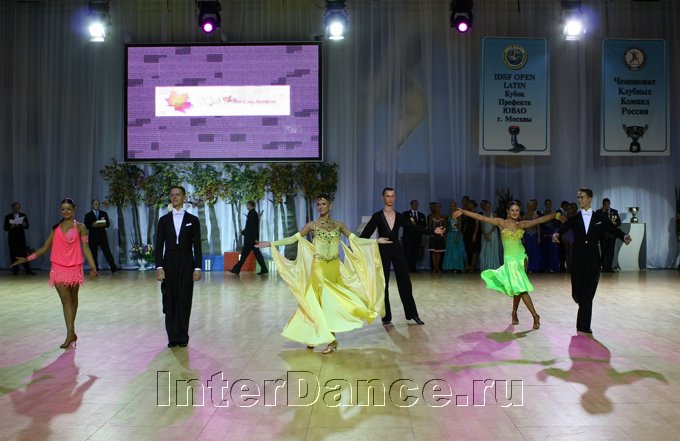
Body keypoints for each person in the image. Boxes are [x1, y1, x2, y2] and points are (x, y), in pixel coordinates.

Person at [256, 193, 389, 354]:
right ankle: (331, 340)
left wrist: (375, 241)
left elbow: (356, 239)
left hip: (334, 268)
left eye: (323, 204)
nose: (320, 207)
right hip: (319, 268)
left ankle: (314, 336)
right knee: (322, 303)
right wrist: (272, 243)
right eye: (318, 204)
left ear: (330, 205)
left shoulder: (339, 225)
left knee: (327, 303)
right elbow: (293, 239)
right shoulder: (312, 225)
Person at [454, 201, 559, 330]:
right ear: (508, 212)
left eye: (517, 210)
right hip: (510, 261)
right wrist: (464, 211)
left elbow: (539, 220)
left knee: (519, 288)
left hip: (522, 258)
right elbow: (481, 217)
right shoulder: (501, 223)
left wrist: (555, 215)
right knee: (520, 288)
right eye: (512, 210)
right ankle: (533, 315)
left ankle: (517, 313)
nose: (515, 212)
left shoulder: (521, 224)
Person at [11, 198, 98, 348]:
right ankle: (70, 333)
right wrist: (27, 258)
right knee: (65, 300)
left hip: (74, 268)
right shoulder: (56, 228)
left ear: (74, 210)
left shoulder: (81, 227)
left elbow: (85, 247)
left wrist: (93, 266)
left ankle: (72, 332)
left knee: (73, 299)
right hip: (58, 268)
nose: (66, 211)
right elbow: (45, 248)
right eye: (63, 209)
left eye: (69, 209)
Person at [360, 188, 445, 326]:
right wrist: (377, 241)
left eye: (392, 196)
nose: (390, 198)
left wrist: (433, 231)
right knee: (383, 284)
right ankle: (386, 316)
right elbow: (363, 237)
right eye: (388, 196)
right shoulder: (377, 216)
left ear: (395, 197)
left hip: (397, 250)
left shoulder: (399, 216)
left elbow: (415, 228)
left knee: (405, 282)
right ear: (382, 198)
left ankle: (413, 314)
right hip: (383, 251)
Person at [553, 188, 631, 335]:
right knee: (578, 292)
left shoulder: (599, 218)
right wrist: (556, 234)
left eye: (582, 197)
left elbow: (612, 229)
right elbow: (563, 228)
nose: (579, 200)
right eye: (578, 197)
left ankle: (584, 326)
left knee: (588, 293)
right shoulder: (574, 218)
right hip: (577, 259)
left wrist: (624, 236)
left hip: (593, 259)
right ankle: (581, 315)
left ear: (589, 199)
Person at [155, 186, 202, 348]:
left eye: (178, 194)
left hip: (187, 263)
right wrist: (159, 266)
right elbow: (158, 245)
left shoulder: (193, 220)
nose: (174, 197)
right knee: (170, 299)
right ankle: (172, 337)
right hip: (168, 263)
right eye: (172, 195)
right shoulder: (163, 220)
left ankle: (183, 336)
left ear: (184, 198)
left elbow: (197, 246)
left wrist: (197, 268)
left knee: (185, 298)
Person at [229, 200, 268, 275]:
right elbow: (250, 227)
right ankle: (264, 269)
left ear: (250, 205)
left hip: (250, 240)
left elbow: (252, 227)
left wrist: (255, 238)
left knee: (244, 256)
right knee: (256, 255)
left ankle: (236, 270)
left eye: (247, 205)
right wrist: (244, 232)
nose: (246, 206)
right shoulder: (253, 213)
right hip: (251, 239)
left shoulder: (252, 214)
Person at [83, 199, 119, 272]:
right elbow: (86, 226)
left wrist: (103, 224)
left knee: (107, 252)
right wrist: (92, 225)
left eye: (98, 204)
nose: (97, 205)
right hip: (93, 237)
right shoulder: (88, 215)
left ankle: (113, 267)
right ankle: (95, 269)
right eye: (95, 204)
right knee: (93, 253)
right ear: (92, 205)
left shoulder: (104, 213)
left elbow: (108, 224)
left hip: (102, 236)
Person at [4, 202, 35, 275]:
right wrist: (11, 226)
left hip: (21, 238)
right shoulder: (8, 216)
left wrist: (24, 225)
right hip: (12, 239)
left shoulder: (23, 215)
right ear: (12, 208)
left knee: (24, 254)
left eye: (18, 207)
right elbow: (5, 228)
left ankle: (28, 270)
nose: (17, 209)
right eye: (16, 207)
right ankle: (15, 271)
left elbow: (27, 226)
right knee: (13, 255)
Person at [595, 198, 621, 272]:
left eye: (608, 204)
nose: (607, 206)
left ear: (609, 204)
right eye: (605, 204)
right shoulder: (598, 212)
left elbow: (619, 222)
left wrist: (615, 223)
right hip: (603, 235)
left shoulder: (614, 211)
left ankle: (609, 267)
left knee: (611, 251)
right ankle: (604, 267)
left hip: (612, 235)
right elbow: (596, 222)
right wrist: (603, 212)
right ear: (603, 204)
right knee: (604, 252)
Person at [402, 199, 426, 273]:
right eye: (414, 204)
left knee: (415, 253)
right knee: (407, 253)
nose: (416, 206)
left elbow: (424, 226)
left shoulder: (421, 215)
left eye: (417, 204)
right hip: (408, 237)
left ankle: (413, 267)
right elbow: (404, 224)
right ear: (411, 205)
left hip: (417, 238)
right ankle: (407, 268)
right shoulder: (405, 214)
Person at [442, 201, 466, 272]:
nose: (452, 207)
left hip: (456, 233)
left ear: (455, 206)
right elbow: (447, 226)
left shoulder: (458, 215)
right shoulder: (449, 215)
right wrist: (445, 235)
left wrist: (458, 236)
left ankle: (457, 267)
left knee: (456, 251)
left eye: (453, 206)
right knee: (450, 251)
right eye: (451, 206)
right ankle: (450, 267)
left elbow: (460, 226)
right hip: (450, 235)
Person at [539, 199, 561, 273]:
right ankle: (545, 268)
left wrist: (554, 233)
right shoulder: (542, 214)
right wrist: (543, 233)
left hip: (552, 236)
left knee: (553, 252)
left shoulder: (554, 214)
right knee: (545, 252)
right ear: (545, 205)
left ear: (551, 205)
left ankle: (552, 268)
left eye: (549, 204)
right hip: (544, 236)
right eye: (547, 204)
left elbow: (557, 225)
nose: (548, 205)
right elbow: (541, 225)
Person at [478, 200, 500, 271]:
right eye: (486, 206)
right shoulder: (482, 215)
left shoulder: (493, 214)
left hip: (492, 234)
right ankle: (485, 266)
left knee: (492, 250)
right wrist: (485, 234)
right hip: (485, 234)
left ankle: (493, 266)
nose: (487, 207)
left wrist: (489, 233)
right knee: (484, 250)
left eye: (489, 206)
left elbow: (495, 225)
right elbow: (482, 226)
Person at [522, 199, 541, 273]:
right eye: (529, 205)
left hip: (534, 235)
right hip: (527, 235)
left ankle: (534, 268)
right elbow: (522, 228)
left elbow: (538, 227)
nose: (530, 207)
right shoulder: (525, 216)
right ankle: (527, 267)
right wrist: (522, 237)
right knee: (527, 252)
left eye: (531, 206)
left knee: (534, 251)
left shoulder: (536, 215)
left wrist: (539, 237)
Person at [428, 203, 446, 273]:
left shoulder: (443, 216)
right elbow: (429, 227)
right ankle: (434, 268)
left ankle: (437, 267)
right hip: (433, 236)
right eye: (436, 206)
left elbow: (445, 227)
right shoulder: (431, 216)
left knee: (438, 252)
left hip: (440, 236)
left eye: (439, 206)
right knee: (433, 252)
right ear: (435, 207)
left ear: (440, 207)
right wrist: (432, 233)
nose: (437, 208)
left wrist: (443, 232)